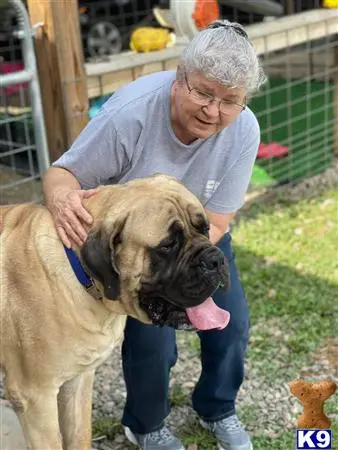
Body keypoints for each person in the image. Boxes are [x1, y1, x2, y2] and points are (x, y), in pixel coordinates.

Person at [43, 19, 267, 450]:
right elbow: (61, 173)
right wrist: (62, 203)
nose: (213, 110)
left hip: (203, 237)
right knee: (153, 341)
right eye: (203, 92)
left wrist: (193, 279)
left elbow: (218, 219)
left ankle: (218, 407)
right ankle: (145, 424)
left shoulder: (244, 128)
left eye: (230, 101)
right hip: (142, 247)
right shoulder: (131, 114)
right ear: (179, 78)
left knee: (231, 324)